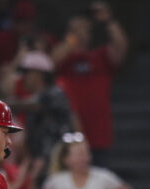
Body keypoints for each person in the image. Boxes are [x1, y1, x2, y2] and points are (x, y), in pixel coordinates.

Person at [51, 1, 128, 165]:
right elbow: (51, 62)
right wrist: (73, 38)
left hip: (98, 135)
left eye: (85, 29)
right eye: (76, 29)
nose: (82, 32)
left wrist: (109, 21)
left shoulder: (99, 57)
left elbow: (121, 48)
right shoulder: (64, 58)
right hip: (68, 136)